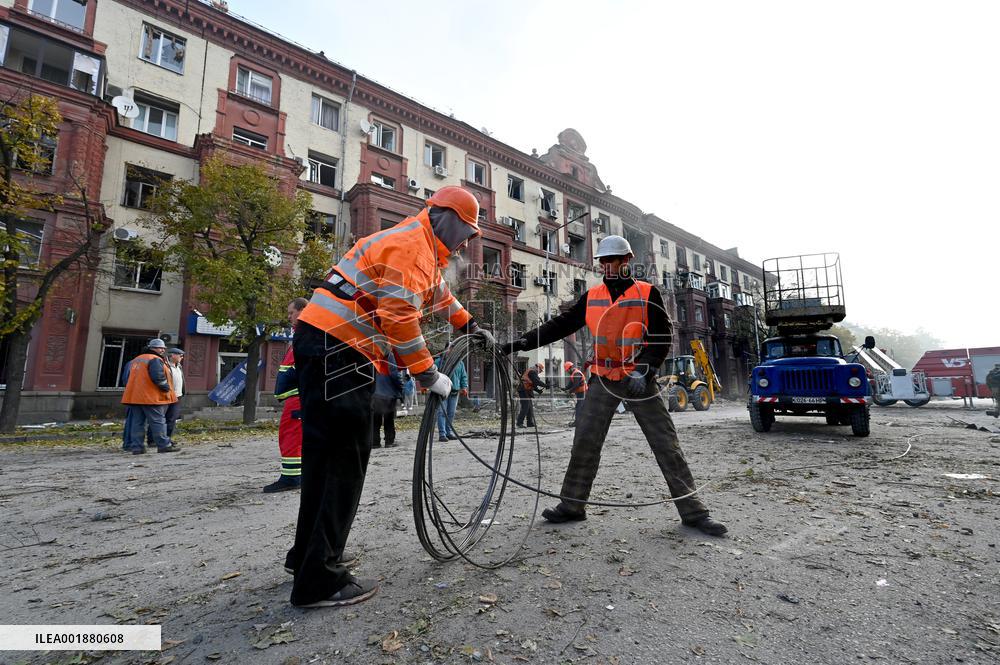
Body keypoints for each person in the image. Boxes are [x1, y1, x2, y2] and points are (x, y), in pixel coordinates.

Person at [286, 185, 495, 608]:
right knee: (345, 459)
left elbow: (439, 295)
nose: (467, 240)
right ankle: (319, 580)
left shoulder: (415, 245)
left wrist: (470, 326)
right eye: (466, 230)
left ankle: (308, 556)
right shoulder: (411, 247)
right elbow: (398, 315)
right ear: (443, 216)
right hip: (339, 350)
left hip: (326, 345)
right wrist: (428, 373)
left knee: (325, 458)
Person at [502, 235, 726, 536]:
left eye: (613, 260)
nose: (608, 266)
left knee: (666, 443)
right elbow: (560, 325)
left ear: (626, 261)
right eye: (603, 261)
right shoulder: (593, 296)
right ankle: (572, 505)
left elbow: (662, 336)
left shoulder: (647, 293)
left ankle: (694, 512)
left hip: (639, 379)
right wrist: (521, 342)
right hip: (603, 378)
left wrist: (643, 371)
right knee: (585, 441)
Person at [264, 298, 308, 493]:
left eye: (291, 313)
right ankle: (296, 475)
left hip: (297, 398)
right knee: (294, 437)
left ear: (303, 310)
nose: (288, 317)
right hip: (296, 397)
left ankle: (291, 478)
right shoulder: (302, 334)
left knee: (291, 438)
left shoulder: (306, 334)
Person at [121, 338, 179, 454]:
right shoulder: (155, 359)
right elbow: (158, 377)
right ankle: (163, 445)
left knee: (138, 423)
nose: (162, 350)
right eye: (160, 348)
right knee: (158, 421)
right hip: (150, 397)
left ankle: (137, 447)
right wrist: (166, 388)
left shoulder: (137, 359)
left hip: (135, 397)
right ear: (153, 348)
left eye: (163, 348)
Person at [147, 348, 185, 448]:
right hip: (165, 396)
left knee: (171, 419)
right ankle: (152, 440)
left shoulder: (179, 366)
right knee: (159, 419)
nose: (182, 357)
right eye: (180, 355)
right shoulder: (164, 365)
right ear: (173, 355)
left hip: (177, 396)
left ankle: (166, 440)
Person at [372, 354, 405, 448]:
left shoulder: (372, 354)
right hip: (388, 394)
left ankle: (375, 442)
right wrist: (401, 387)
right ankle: (389, 441)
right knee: (389, 419)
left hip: (375, 393)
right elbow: (395, 374)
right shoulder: (389, 356)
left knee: (375, 420)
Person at [436, 354, 469, 442]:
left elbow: (463, 375)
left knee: (451, 413)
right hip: (442, 391)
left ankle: (448, 432)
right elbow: (433, 375)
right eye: (449, 349)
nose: (451, 351)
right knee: (442, 412)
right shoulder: (439, 362)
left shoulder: (459, 363)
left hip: (454, 391)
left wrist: (464, 387)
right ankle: (442, 434)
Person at [516, 362, 548, 428]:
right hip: (524, 390)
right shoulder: (532, 372)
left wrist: (538, 390)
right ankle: (519, 423)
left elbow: (532, 383)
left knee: (529, 407)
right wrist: (545, 385)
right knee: (525, 406)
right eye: (540, 370)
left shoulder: (531, 372)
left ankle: (529, 423)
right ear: (537, 368)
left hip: (526, 390)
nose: (539, 372)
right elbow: (536, 381)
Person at [562, 360, 588, 426]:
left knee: (579, 407)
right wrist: (565, 388)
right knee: (580, 407)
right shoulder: (573, 374)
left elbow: (576, 385)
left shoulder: (576, 374)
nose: (567, 372)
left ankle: (578, 423)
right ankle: (581, 422)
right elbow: (570, 384)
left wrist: (569, 391)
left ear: (570, 368)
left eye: (567, 370)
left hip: (583, 392)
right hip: (580, 393)